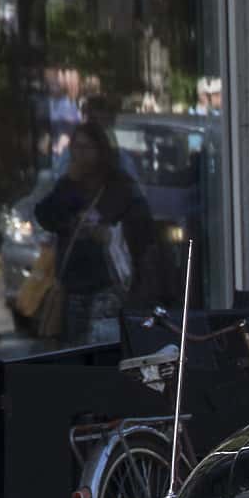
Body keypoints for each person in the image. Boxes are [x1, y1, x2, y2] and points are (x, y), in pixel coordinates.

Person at [33, 121, 157, 345]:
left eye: (86, 148)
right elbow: (45, 216)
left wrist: (108, 234)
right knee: (75, 350)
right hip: (73, 286)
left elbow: (143, 229)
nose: (80, 155)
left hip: (106, 286)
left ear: (101, 151)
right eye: (76, 148)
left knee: (102, 347)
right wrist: (69, 187)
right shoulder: (69, 185)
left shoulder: (119, 187)